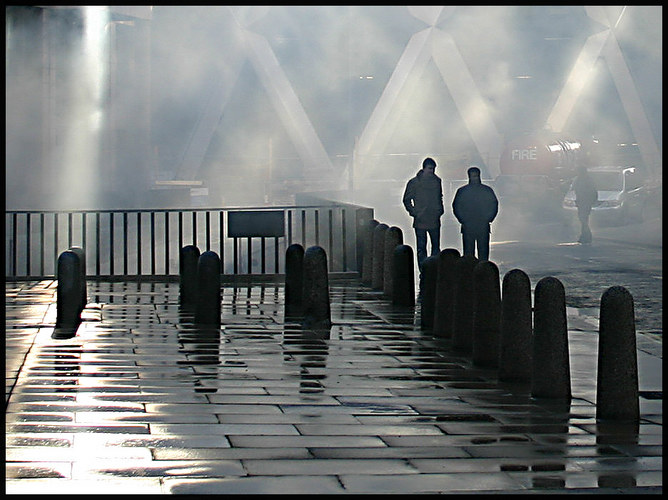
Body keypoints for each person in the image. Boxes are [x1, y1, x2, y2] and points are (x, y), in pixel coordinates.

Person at [402, 157, 445, 269]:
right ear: (424, 168)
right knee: (422, 247)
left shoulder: (437, 181)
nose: (432, 171)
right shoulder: (414, 183)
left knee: (435, 246)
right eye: (430, 168)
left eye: (433, 169)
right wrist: (414, 212)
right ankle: (423, 269)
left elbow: (439, 197)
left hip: (434, 218)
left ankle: (434, 268)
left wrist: (440, 210)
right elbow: (406, 199)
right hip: (421, 218)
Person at [452, 166, 498, 261]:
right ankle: (475, 271)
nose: (475, 178)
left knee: (481, 253)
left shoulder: (463, 191)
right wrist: (463, 220)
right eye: (473, 176)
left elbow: (494, 205)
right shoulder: (486, 190)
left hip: (478, 224)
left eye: (476, 176)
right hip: (472, 225)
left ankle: (476, 271)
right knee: (471, 254)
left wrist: (488, 218)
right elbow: (456, 206)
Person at [572, 165, 598, 244]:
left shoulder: (586, 180)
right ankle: (585, 236)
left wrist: (591, 201)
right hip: (582, 202)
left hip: (586, 202)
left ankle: (586, 236)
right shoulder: (578, 179)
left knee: (583, 219)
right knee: (583, 219)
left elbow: (593, 191)